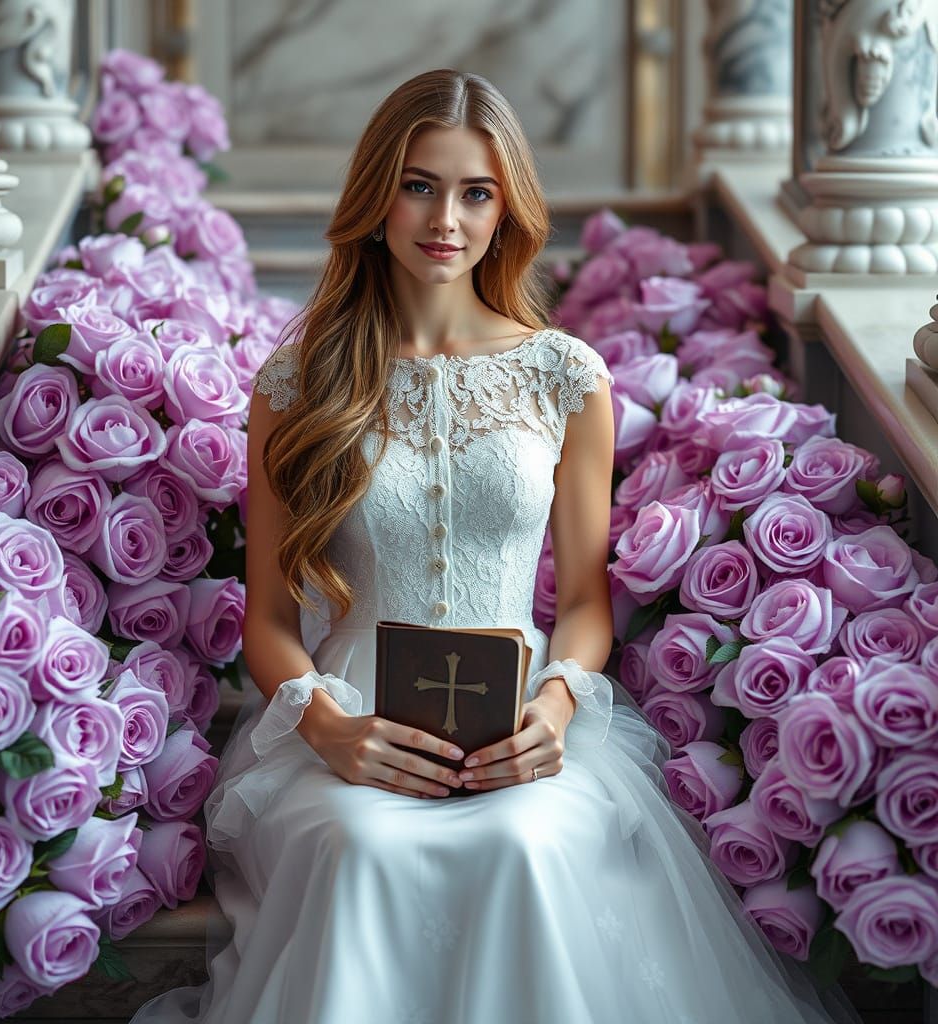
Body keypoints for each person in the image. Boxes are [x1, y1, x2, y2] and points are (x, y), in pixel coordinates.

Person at [130, 69, 862, 1024]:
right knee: (363, 850)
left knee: (526, 846)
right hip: (350, 724)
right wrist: (332, 732)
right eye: (419, 186)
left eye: (476, 192)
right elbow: (267, 621)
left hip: (519, 719)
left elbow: (587, 603)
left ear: (506, 208)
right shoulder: (297, 385)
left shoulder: (565, 377)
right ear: (376, 197)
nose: (447, 219)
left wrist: (554, 712)